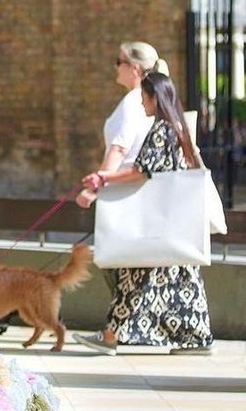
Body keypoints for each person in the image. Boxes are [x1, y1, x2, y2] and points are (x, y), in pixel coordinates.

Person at [73, 70, 213, 355]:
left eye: (144, 98)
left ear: (154, 97)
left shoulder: (162, 129)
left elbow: (143, 171)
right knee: (182, 277)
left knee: (134, 273)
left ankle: (111, 336)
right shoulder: (179, 127)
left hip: (155, 223)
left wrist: (103, 177)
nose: (141, 104)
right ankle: (197, 338)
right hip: (174, 223)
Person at [99, 41, 165, 178]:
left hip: (123, 187)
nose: (115, 67)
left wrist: (94, 187)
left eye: (119, 62)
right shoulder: (151, 100)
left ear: (135, 68)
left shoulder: (133, 101)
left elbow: (119, 149)